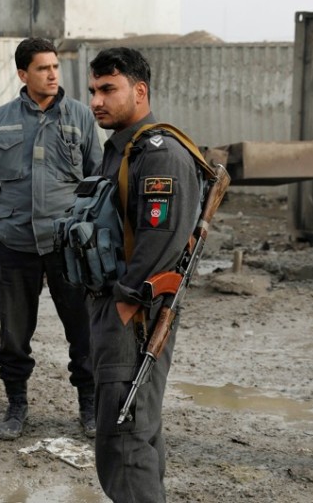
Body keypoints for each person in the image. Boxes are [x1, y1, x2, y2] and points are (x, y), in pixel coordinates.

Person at [85, 47, 203, 503]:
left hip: (134, 314)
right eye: (93, 90)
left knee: (125, 433)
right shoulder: (121, 148)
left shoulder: (159, 154)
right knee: (132, 426)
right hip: (115, 304)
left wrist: (126, 301)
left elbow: (164, 237)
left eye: (108, 89)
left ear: (139, 91)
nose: (97, 100)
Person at [0, 37, 101, 440]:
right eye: (43, 68)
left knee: (84, 331)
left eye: (55, 67)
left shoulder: (79, 116)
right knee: (13, 334)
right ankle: (16, 406)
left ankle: (90, 407)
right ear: (23, 74)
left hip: (68, 248)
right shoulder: (1, 119)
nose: (52, 74)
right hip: (14, 245)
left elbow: (98, 180)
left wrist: (90, 235)